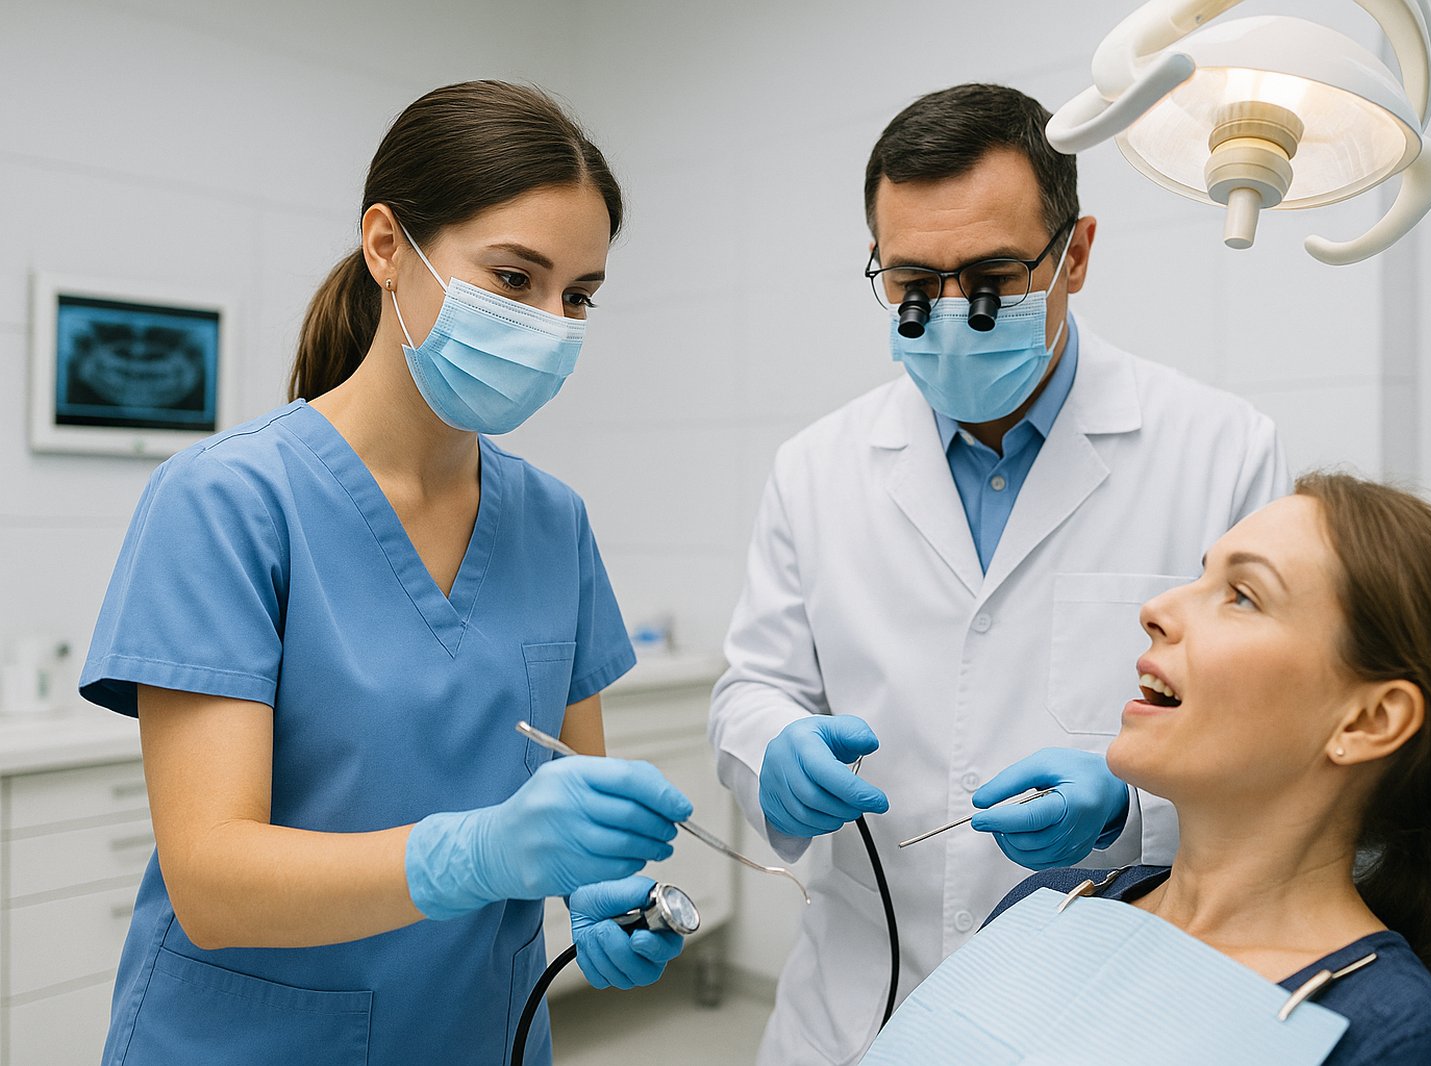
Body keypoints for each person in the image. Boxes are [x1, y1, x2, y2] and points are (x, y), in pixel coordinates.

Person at [79, 81, 691, 1066]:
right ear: (386, 247)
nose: (550, 322)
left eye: (578, 295)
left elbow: (576, 793)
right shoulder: (228, 499)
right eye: (512, 278)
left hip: (484, 1036)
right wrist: (481, 852)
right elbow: (211, 878)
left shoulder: (554, 523)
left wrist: (597, 891)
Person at [709, 82, 1290, 1064]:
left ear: (1076, 253)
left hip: (1106, 998)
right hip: (855, 1005)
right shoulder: (816, 466)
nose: (948, 315)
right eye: (908, 283)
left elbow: (1272, 737)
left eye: (987, 276)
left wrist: (1130, 808)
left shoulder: (1218, 449)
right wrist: (774, 752)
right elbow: (751, 688)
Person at [978, 473, 1431, 1063]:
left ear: (1368, 721)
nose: (1155, 609)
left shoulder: (1388, 1039)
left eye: (1242, 595)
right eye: (1200, 576)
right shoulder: (1048, 906)